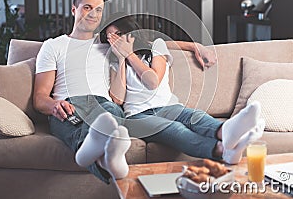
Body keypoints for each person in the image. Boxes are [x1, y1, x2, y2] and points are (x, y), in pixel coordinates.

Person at [33, 0, 216, 184]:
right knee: (101, 126)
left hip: (105, 105)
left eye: (99, 10)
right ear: (74, 9)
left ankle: (94, 155)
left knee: (109, 117)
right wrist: (54, 106)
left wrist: (195, 46)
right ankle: (101, 155)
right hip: (70, 105)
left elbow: (148, 42)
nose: (93, 14)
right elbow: (39, 97)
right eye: (87, 7)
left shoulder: (109, 44)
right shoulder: (53, 46)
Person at [101, 15, 265, 164]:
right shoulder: (115, 62)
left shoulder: (156, 47)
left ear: (131, 32)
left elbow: (153, 81)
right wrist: (123, 58)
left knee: (196, 117)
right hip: (138, 116)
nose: (114, 41)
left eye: (117, 35)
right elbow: (118, 100)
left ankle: (228, 133)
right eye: (110, 38)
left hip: (169, 106)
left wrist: (130, 54)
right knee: (175, 129)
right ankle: (222, 150)